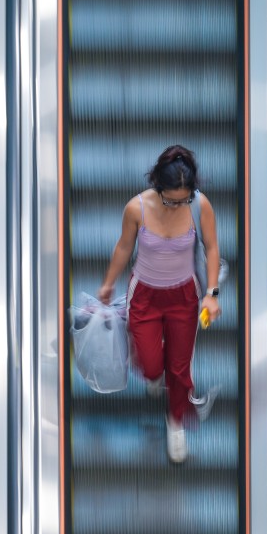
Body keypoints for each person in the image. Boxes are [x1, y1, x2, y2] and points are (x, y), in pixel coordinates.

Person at [98, 145, 222, 463]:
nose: (177, 205)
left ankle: (176, 423)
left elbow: (211, 249)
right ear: (158, 187)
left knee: (179, 370)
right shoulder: (136, 208)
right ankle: (154, 376)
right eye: (171, 200)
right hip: (145, 296)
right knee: (153, 366)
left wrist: (212, 293)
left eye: (184, 200)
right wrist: (109, 283)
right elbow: (124, 247)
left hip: (183, 296)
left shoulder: (200, 206)